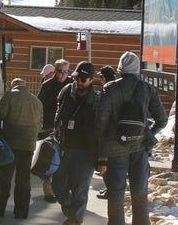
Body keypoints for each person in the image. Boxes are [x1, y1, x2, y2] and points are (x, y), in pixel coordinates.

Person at [96, 52, 168, 225]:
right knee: (139, 193)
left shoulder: (110, 88)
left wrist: (101, 153)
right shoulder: (147, 89)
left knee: (115, 192)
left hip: (115, 149)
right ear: (137, 69)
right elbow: (162, 120)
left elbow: (100, 123)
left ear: (120, 69)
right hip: (139, 146)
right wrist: (148, 133)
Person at [52, 61, 102, 225]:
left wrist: (102, 158)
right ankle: (67, 204)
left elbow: (101, 130)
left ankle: (75, 220)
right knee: (57, 185)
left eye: (83, 79)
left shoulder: (97, 99)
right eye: (76, 77)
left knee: (80, 189)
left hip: (87, 151)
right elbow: (58, 115)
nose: (79, 81)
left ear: (91, 79)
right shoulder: (66, 92)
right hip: (64, 147)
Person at [0, 78, 43, 219]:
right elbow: (40, 125)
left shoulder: (9, 95)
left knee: (4, 179)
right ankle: (21, 212)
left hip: (10, 144)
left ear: (13, 86)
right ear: (25, 86)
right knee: (23, 180)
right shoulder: (37, 101)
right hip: (28, 146)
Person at [37, 59, 71, 201]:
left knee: (66, 161)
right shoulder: (47, 86)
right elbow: (38, 105)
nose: (64, 74)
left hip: (68, 129)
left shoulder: (72, 85)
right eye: (61, 71)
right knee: (52, 159)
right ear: (55, 71)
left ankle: (62, 189)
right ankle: (48, 190)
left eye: (66, 71)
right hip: (50, 127)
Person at [96, 64, 116, 199]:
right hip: (116, 131)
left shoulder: (107, 90)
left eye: (101, 77)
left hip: (108, 131)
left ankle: (110, 189)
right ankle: (109, 188)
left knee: (105, 164)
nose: (100, 80)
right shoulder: (117, 87)